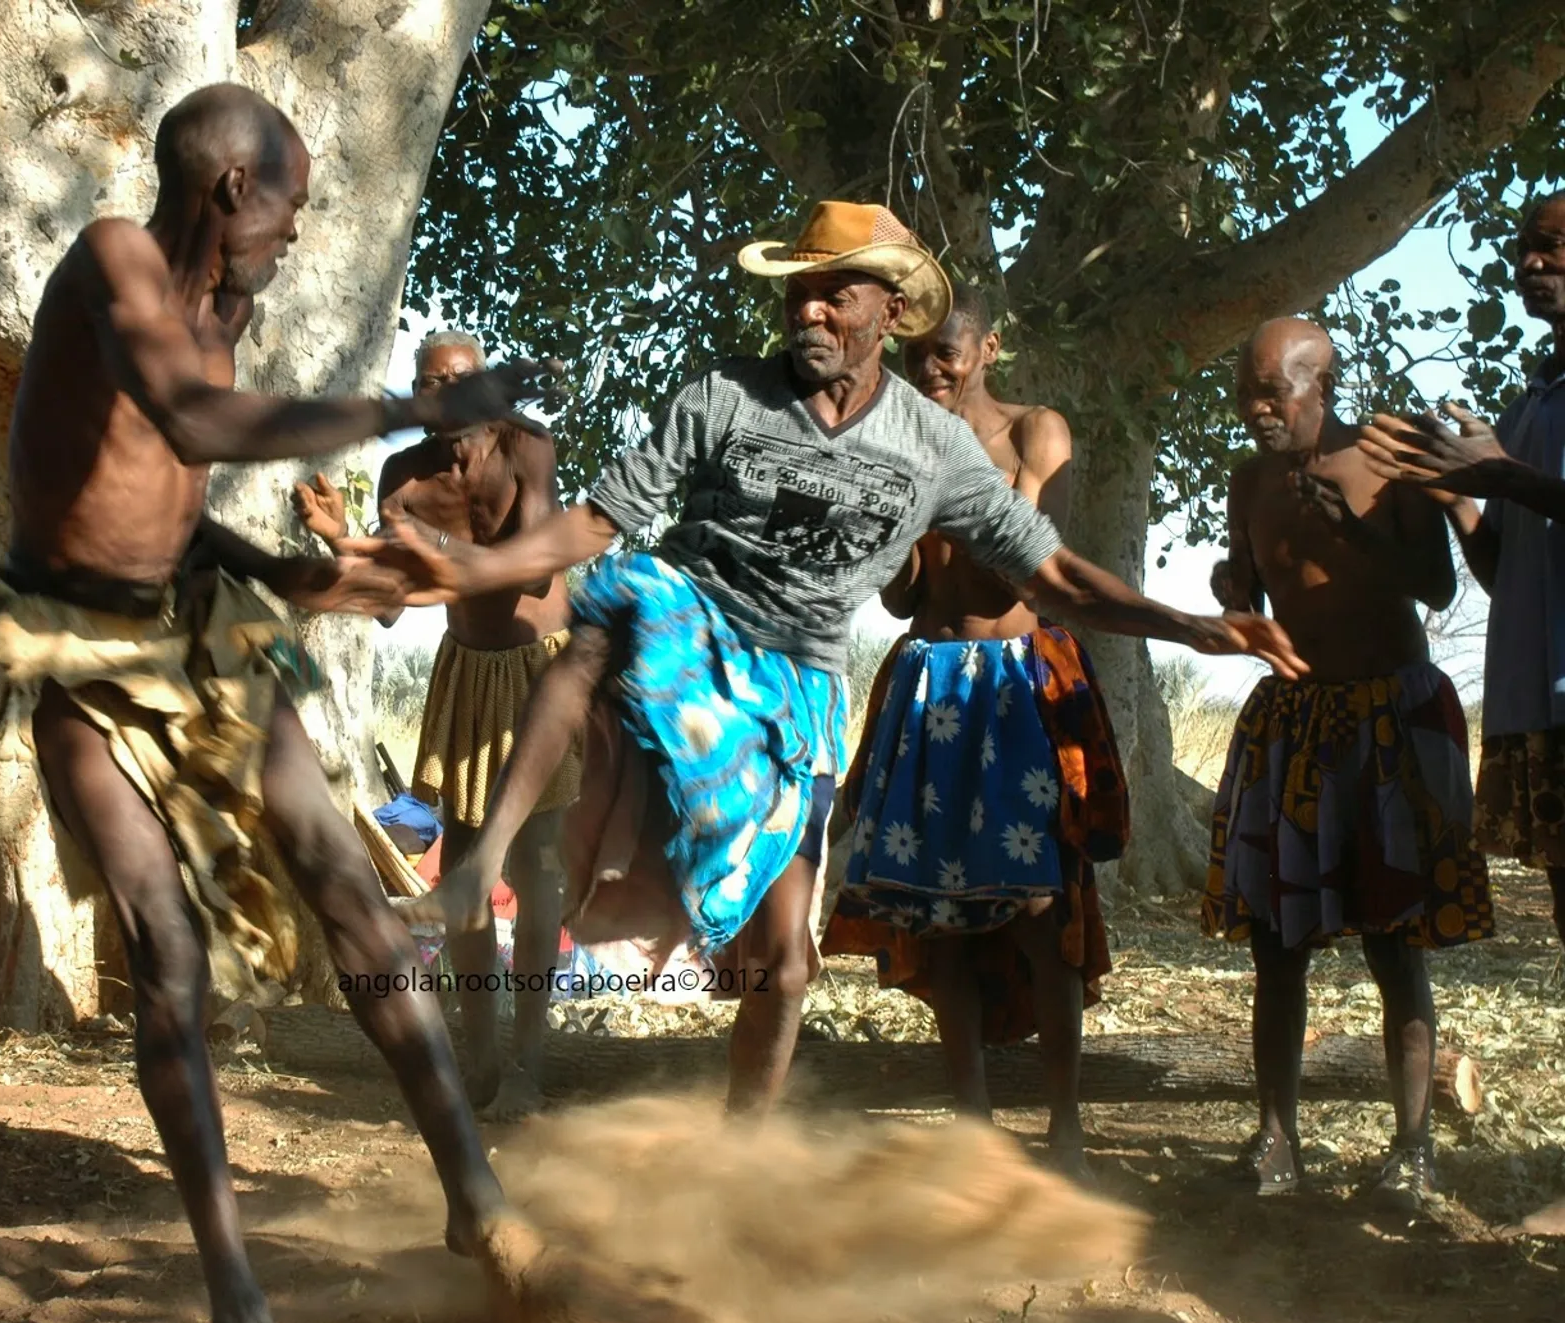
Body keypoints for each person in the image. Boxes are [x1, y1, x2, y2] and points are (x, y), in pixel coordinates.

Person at [362, 200, 1303, 1120]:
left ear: (889, 314)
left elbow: (1051, 572)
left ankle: (742, 1159)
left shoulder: (933, 445)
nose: (808, 312)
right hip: (694, 621)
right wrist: (454, 572)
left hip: (799, 685)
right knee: (616, 607)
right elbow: (590, 526)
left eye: (835, 296)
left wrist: (1189, 626)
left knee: (788, 963)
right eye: (797, 294)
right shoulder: (725, 395)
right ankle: (474, 866)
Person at [0, 83, 571, 1323]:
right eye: (291, 203)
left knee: (346, 882)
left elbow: (169, 494)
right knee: (166, 954)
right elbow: (192, 422)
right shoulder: (114, 259)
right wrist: (418, 412)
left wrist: (287, 573)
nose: (296, 232)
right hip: (70, 638)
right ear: (234, 189)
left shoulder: (225, 317)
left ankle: (477, 1197)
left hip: (199, 611)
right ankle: (239, 1308)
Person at [818, 286, 1124, 1178]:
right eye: (916, 356)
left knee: (1041, 906)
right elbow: (906, 597)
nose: (930, 368)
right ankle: (972, 1122)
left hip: (1018, 688)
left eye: (946, 352)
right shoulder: (902, 442)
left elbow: (1018, 571)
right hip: (929, 684)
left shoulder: (1037, 433)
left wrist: (933, 495)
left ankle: (1064, 1127)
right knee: (935, 914)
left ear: (989, 348)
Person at [1203, 317, 1493, 1208]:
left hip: (1391, 715)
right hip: (1296, 720)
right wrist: (1229, 586)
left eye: (1273, 391)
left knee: (1394, 941)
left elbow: (1440, 589)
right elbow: (1248, 584)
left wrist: (1356, 531)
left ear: (1319, 383)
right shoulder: (1248, 480)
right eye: (1245, 392)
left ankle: (1414, 1150)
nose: (1256, 408)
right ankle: (1275, 1140)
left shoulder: (1386, 457)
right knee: (1276, 944)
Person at [293, 330, 576, 1120]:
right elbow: (388, 609)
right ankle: (480, 1058)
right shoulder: (403, 476)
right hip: (464, 673)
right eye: (430, 383)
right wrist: (344, 547)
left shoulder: (528, 448)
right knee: (463, 879)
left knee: (535, 864)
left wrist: (420, 542)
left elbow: (535, 565)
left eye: (461, 379)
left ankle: (530, 1060)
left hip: (537, 672)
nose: (447, 395)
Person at [1359, 190, 1565, 951]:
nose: (1530, 265)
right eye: (1521, 251)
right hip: (1535, 703)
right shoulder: (1527, 408)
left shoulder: (1511, 441)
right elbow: (1503, 572)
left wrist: (1502, 476)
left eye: (1550, 246)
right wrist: (1453, 494)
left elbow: (1511, 480)